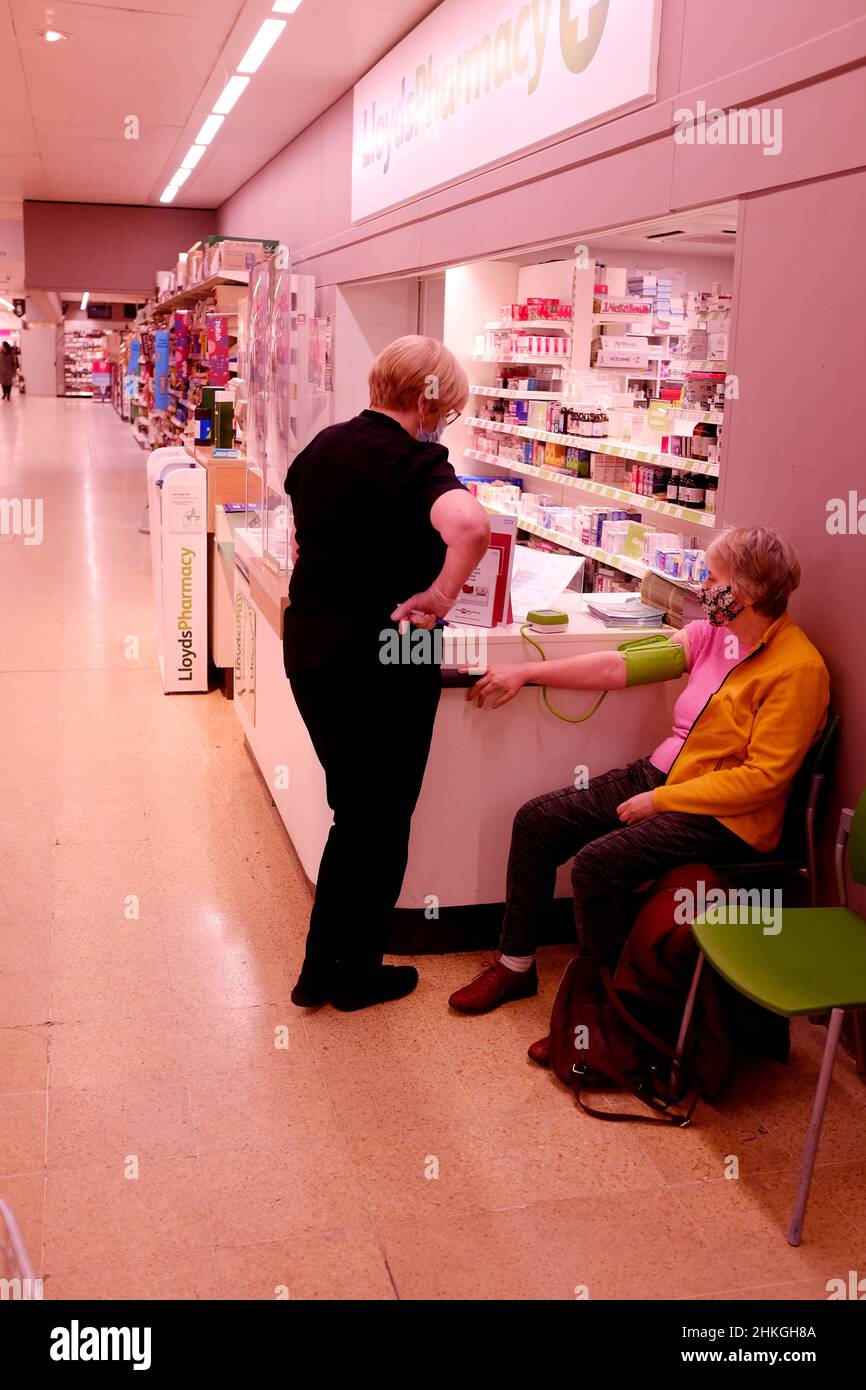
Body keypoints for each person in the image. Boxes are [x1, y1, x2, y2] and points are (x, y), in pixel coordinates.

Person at [449, 526, 829, 1020]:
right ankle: (516, 966)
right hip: (664, 778)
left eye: (711, 579)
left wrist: (662, 801)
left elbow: (762, 780)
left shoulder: (798, 670)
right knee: (537, 822)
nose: (700, 588)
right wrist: (527, 672)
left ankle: (605, 1012)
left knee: (595, 866)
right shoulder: (717, 634)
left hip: (726, 816)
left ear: (747, 593)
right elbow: (619, 668)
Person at [284, 335, 490, 1012]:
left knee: (355, 811)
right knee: (380, 819)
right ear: (428, 401)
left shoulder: (321, 448)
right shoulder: (416, 459)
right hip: (388, 656)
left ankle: (324, 967)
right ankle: (352, 972)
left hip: (312, 648)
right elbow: (470, 526)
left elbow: (305, 540)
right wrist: (439, 597)